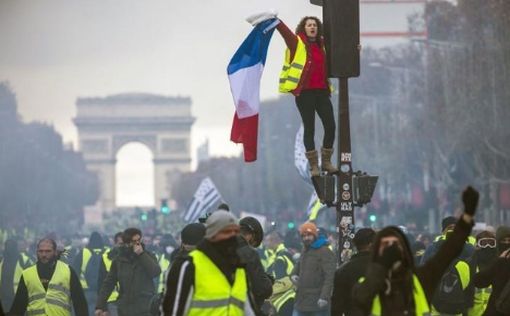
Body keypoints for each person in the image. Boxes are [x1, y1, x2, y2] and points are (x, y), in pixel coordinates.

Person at [352, 186, 479, 315]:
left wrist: (467, 217)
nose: (391, 250)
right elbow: (362, 298)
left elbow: (447, 252)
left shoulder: (420, 279)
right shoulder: (367, 285)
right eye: (386, 246)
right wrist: (380, 267)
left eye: (395, 245)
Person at [161, 210, 257, 315]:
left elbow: (249, 311)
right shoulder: (187, 266)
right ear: (212, 235)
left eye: (235, 232)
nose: (232, 237)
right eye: (226, 232)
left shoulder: (239, 269)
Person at [276, 16, 337, 177]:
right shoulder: (297, 43)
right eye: (309, 25)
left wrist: (356, 49)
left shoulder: (323, 45)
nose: (312, 27)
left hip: (322, 92)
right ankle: (314, 165)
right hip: (305, 93)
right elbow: (285, 33)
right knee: (309, 128)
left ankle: (326, 162)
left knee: (330, 126)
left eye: (315, 25)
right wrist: (276, 21)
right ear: (304, 28)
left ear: (318, 29)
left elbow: (341, 49)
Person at [9, 238, 88, 316]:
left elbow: (80, 303)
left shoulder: (68, 271)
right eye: (41, 251)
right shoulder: (27, 274)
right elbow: (18, 306)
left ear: (55, 252)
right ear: (37, 252)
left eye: (48, 251)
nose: (44, 254)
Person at [95, 227, 161, 316]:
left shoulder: (148, 256)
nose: (138, 244)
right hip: (125, 309)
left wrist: (142, 255)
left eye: (139, 240)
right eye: (134, 242)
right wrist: (100, 306)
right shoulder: (119, 261)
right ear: (126, 244)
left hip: (145, 308)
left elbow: (155, 272)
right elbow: (108, 283)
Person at [291, 222, 336, 316]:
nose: (306, 238)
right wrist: (293, 274)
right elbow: (299, 264)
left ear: (315, 235)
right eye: (303, 236)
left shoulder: (325, 251)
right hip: (302, 301)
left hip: (318, 304)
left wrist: (324, 297)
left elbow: (330, 277)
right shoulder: (305, 249)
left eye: (309, 235)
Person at [331, 228, 376, 316]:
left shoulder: (342, 271)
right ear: (372, 244)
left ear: (355, 245)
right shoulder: (382, 268)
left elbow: (336, 305)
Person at [238, 216, 274, 314]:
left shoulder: (221, 247)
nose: (252, 247)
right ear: (251, 236)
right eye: (254, 244)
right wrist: (268, 281)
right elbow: (263, 289)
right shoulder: (248, 253)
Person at [473, 226, 510, 316]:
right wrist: (499, 262)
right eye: (503, 241)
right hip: (496, 309)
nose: (506, 244)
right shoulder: (496, 261)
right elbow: (479, 281)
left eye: (509, 241)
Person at [72, 231, 105, 315]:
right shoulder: (107, 253)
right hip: (103, 292)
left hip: (86, 291)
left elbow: (74, 272)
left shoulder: (83, 253)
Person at [265, 229, 295, 316]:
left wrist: (267, 294)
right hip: (289, 298)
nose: (265, 244)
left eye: (267, 241)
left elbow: (282, 281)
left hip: (286, 300)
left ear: (273, 241)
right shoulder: (284, 254)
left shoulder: (280, 258)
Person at [468, 230, 498, 316]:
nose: (487, 246)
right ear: (477, 245)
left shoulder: (500, 265)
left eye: (491, 243)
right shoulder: (470, 264)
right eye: (484, 243)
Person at [0, 239, 31, 310]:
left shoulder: (23, 260)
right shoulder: (2, 260)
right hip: (3, 298)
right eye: (7, 246)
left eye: (11, 246)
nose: (9, 248)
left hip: (18, 297)